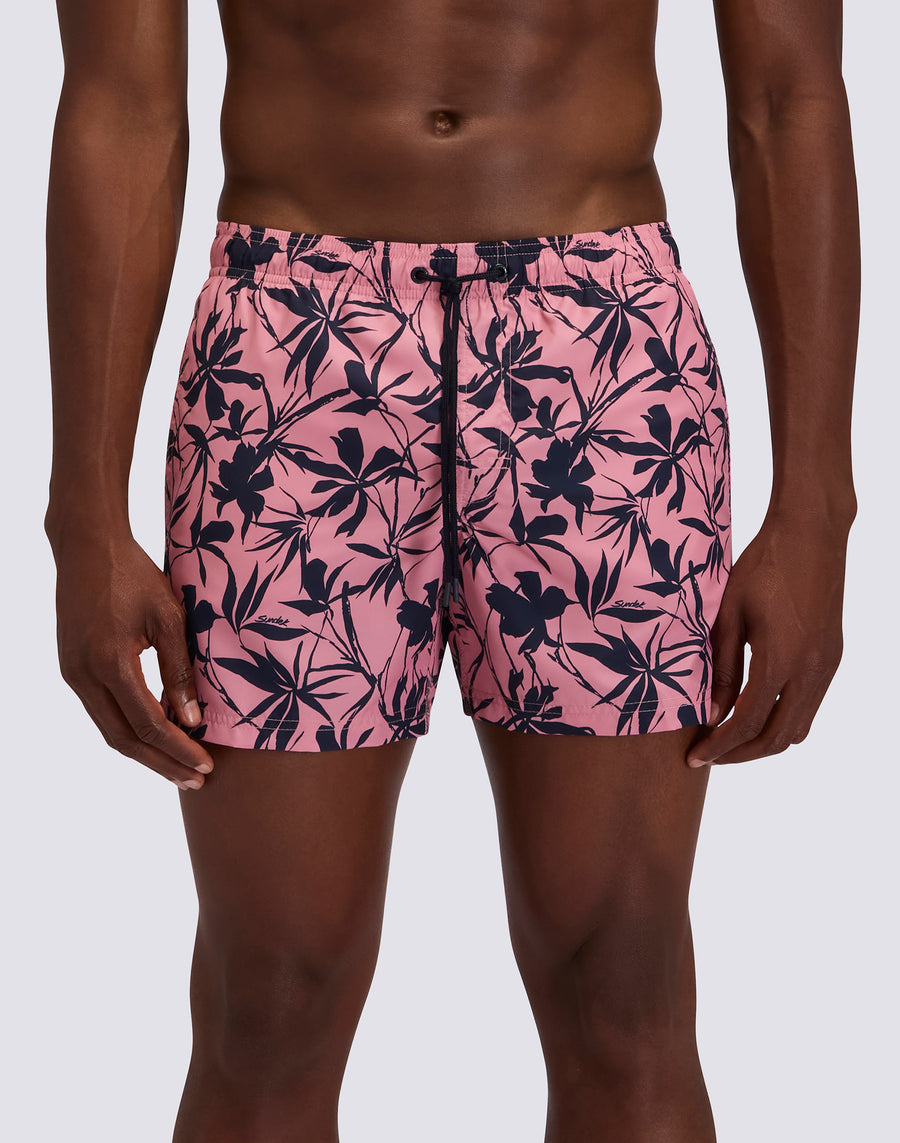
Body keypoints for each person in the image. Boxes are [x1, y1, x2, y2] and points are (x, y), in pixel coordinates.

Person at [43, 1, 859, 1140]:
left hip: (601, 346)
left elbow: (788, 95)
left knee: (621, 979)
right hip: (290, 345)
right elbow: (121, 102)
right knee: (271, 992)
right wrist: (83, 511)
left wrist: (818, 502)